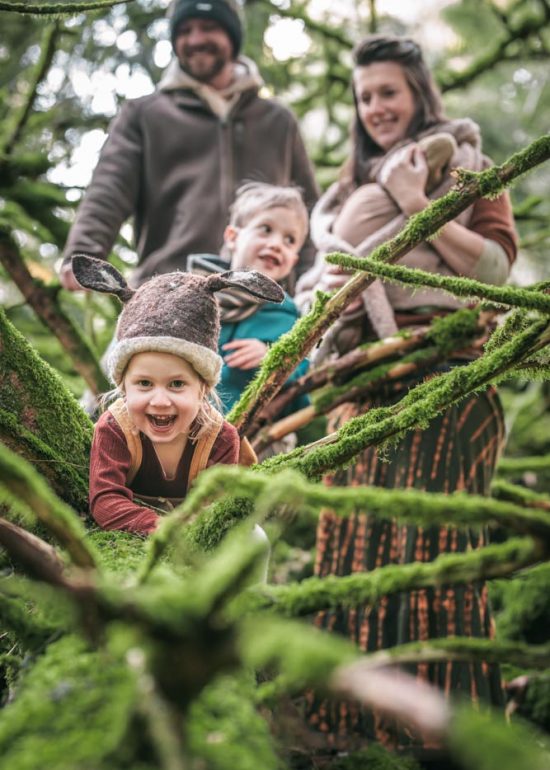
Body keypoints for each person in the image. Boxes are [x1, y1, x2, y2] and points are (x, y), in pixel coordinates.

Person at [297, 35, 518, 759]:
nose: (376, 108)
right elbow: (313, 293)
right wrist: (325, 291)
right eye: (364, 97)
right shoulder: (340, 196)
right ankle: (346, 730)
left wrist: (420, 205)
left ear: (419, 92)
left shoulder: (473, 168)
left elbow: (495, 270)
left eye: (387, 92)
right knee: (350, 541)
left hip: (449, 370)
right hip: (360, 380)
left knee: (430, 541)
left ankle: (448, 737)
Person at [59, 0, 318, 292]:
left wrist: (313, 279)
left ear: (231, 36)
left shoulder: (277, 121)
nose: (195, 39)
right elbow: (108, 190)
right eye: (185, 30)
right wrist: (82, 256)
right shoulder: (145, 115)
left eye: (208, 28)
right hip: (167, 290)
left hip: (263, 296)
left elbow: (307, 208)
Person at [71, 253, 284, 536]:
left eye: (176, 385)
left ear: (203, 388)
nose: (160, 400)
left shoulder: (220, 438)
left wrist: (191, 534)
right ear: (124, 386)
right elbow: (105, 501)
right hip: (139, 531)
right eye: (144, 383)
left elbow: (217, 506)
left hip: (196, 537)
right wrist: (162, 529)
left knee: (257, 540)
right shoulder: (114, 429)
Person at [189, 182, 310, 416]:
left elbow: (303, 365)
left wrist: (271, 357)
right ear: (233, 237)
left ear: (293, 260)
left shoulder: (284, 312)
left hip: (253, 433)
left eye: (289, 240)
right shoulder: (195, 295)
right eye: (266, 229)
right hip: (185, 421)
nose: (276, 244)